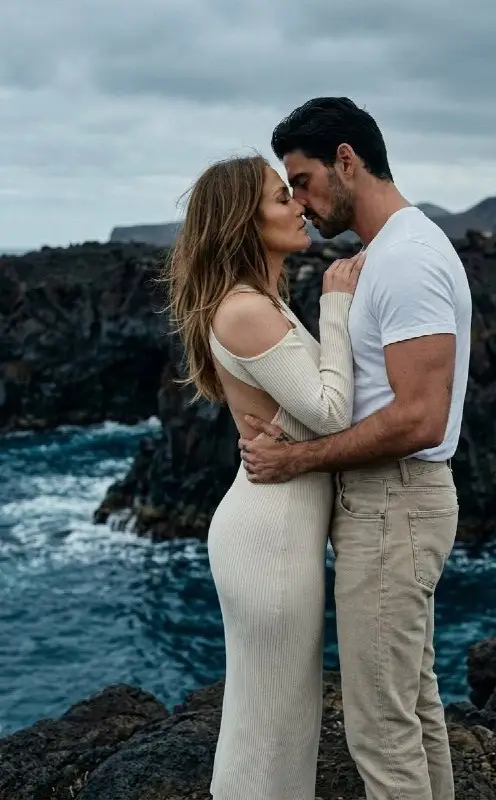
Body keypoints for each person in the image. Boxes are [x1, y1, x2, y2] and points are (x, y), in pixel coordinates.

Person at [239, 97, 472, 800]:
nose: (300, 203)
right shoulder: (393, 251)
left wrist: (295, 460)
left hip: (392, 506)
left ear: (346, 159)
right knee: (412, 704)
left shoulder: (405, 260)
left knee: (378, 728)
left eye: (302, 180)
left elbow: (419, 420)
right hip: (392, 506)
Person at [165, 153, 365, 800]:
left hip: (275, 530)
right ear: (244, 224)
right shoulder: (247, 310)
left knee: (276, 718)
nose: (301, 206)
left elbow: (307, 410)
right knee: (271, 726)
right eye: (282, 199)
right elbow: (331, 413)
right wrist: (335, 303)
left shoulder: (261, 302)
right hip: (269, 540)